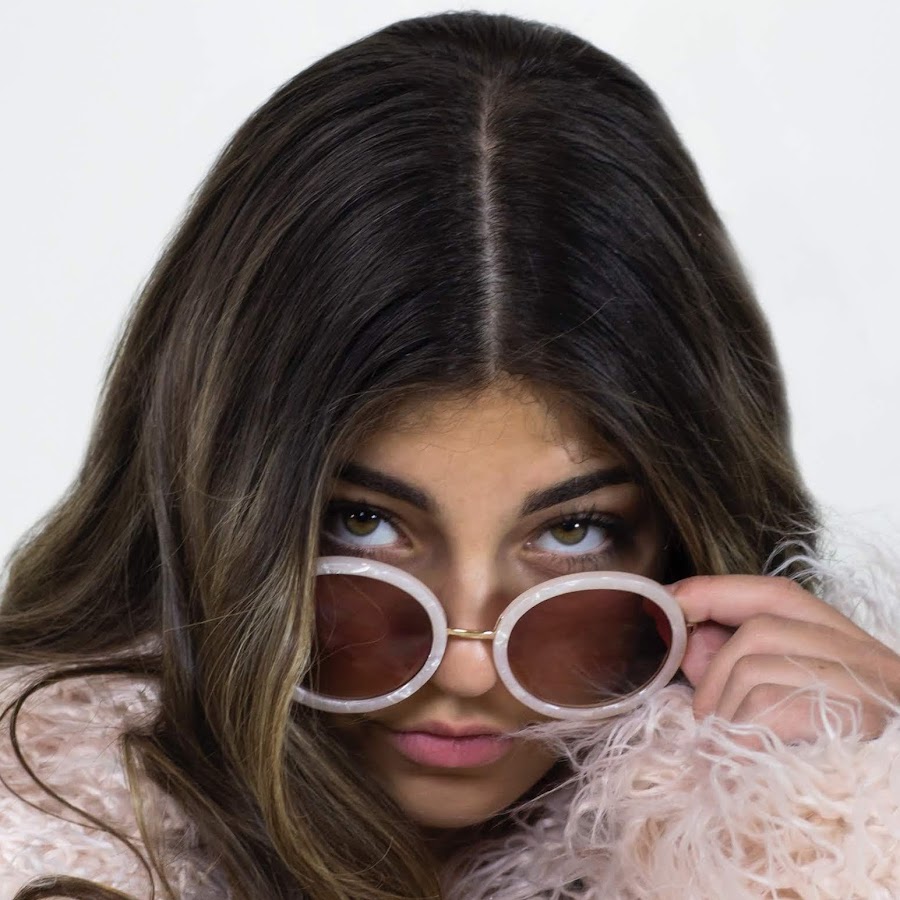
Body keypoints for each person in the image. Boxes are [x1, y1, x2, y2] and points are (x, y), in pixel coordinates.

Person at [1, 10, 898, 899]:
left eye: (576, 531)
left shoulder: (811, 827)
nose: (466, 668)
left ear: (681, 542)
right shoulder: (41, 841)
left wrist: (837, 823)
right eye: (364, 523)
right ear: (214, 501)